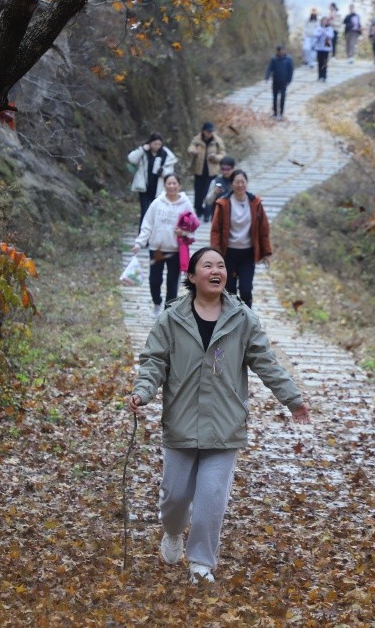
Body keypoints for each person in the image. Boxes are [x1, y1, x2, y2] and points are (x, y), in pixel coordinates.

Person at [127, 246, 311, 584]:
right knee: (174, 498)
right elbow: (154, 362)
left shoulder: (242, 319)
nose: (216, 271)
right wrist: (143, 391)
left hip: (225, 425)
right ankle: (172, 532)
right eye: (208, 265)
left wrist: (293, 399)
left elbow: (266, 363)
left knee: (211, 498)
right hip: (181, 422)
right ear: (192, 275)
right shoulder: (171, 318)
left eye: (221, 266)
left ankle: (201, 563)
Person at [133, 173, 195, 316]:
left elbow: (193, 225)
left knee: (172, 282)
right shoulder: (157, 203)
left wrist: (183, 232)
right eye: (169, 183)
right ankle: (156, 302)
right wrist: (139, 243)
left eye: (174, 183)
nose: (172, 186)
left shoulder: (185, 204)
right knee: (154, 280)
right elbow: (147, 224)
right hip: (157, 249)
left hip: (176, 250)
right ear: (164, 185)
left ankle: (168, 311)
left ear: (179, 185)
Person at [209, 169, 271, 308]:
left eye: (243, 182)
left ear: (247, 183)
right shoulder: (223, 203)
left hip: (248, 253)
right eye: (237, 182)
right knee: (229, 289)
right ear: (231, 184)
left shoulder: (255, 203)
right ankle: (231, 317)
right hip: (228, 253)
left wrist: (266, 252)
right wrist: (215, 252)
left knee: (246, 289)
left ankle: (247, 317)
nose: (240, 185)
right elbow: (216, 230)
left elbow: (264, 228)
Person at [128, 133, 178, 227]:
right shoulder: (144, 152)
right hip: (144, 187)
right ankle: (142, 234)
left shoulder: (165, 154)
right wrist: (142, 149)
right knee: (145, 212)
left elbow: (170, 171)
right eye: (155, 144)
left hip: (158, 188)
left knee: (157, 213)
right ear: (150, 143)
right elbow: (131, 159)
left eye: (159, 144)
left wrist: (162, 171)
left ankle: (154, 234)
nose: (157, 146)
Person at [186, 122, 226, 222]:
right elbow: (191, 147)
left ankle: (207, 213)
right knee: (198, 192)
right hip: (198, 170)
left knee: (208, 192)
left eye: (211, 131)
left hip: (211, 171)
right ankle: (198, 210)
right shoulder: (197, 139)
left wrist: (215, 157)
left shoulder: (217, 141)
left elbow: (222, 155)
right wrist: (193, 151)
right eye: (208, 131)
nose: (209, 133)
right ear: (203, 131)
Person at [264, 45, 294, 120]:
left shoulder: (288, 59)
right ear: (277, 52)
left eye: (282, 51)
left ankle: (281, 113)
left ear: (284, 51)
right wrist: (267, 77)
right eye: (279, 51)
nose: (281, 53)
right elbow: (270, 68)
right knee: (274, 97)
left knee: (282, 97)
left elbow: (291, 70)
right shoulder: (274, 59)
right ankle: (275, 113)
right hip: (275, 81)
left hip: (284, 82)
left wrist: (289, 80)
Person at [313, 16, 335, 82]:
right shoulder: (318, 28)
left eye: (326, 21)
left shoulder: (329, 28)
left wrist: (325, 32)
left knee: (324, 62)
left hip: (326, 48)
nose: (324, 22)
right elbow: (315, 34)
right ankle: (319, 76)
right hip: (319, 47)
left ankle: (324, 76)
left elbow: (331, 36)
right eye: (323, 21)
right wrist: (321, 32)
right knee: (319, 62)